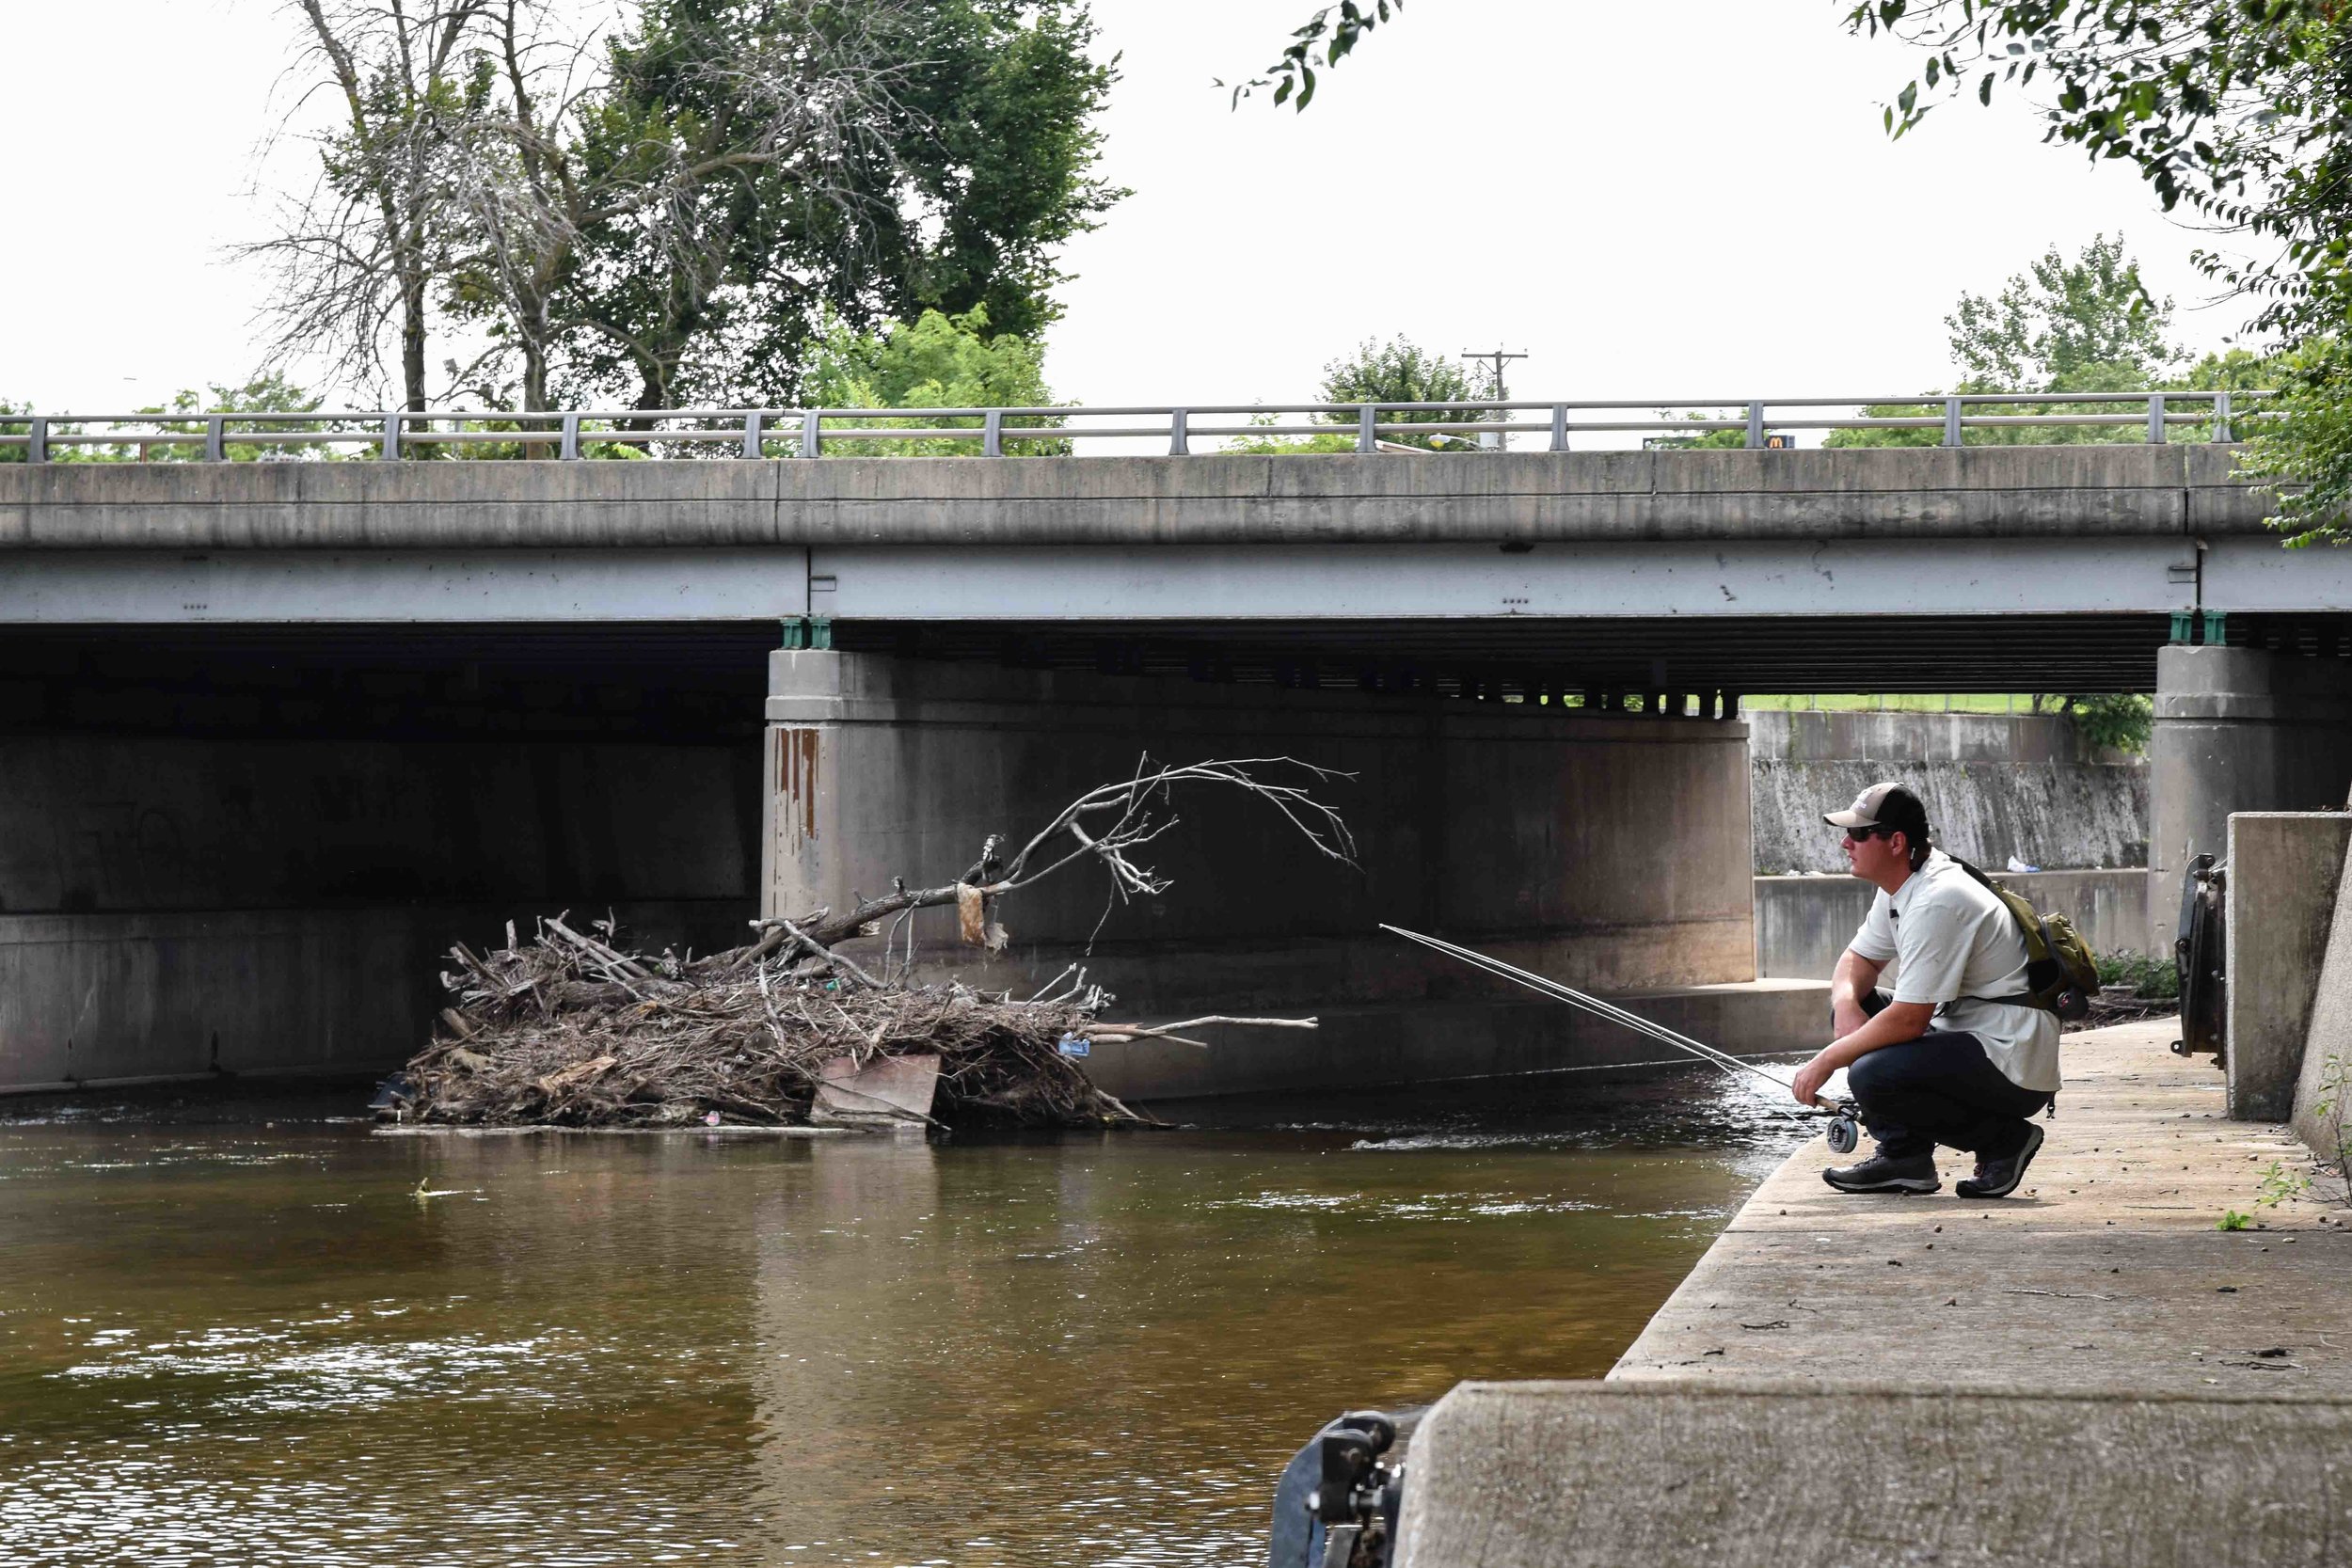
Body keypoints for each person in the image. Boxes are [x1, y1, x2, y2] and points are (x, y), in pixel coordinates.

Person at [1789, 782, 2059, 1198]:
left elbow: (1910, 1020)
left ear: (1896, 842)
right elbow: (1857, 961)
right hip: (1967, 1034)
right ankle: (1905, 1159)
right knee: (1857, 1008)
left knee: (1871, 1072)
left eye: (1859, 834)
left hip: (2010, 1058)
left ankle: (2003, 1140)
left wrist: (1826, 1060)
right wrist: (1846, 1007)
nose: (1846, 842)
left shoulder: (1938, 898)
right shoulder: (1903, 883)